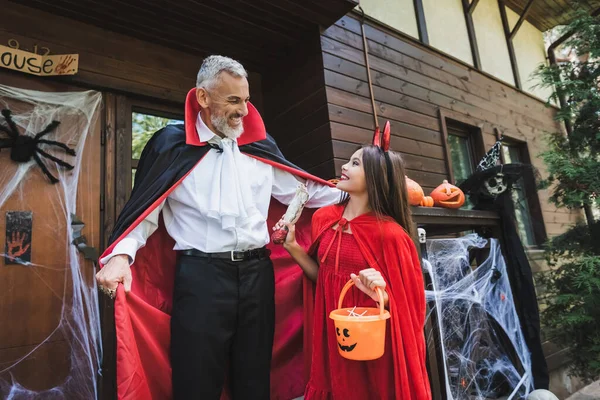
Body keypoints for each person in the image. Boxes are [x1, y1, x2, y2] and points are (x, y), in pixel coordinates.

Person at [96, 55, 341, 400]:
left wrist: (360, 189)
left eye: (246, 100)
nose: (243, 110)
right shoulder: (170, 145)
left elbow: (304, 191)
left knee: (255, 377)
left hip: (258, 274)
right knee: (196, 379)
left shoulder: (258, 143)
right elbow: (145, 212)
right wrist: (121, 255)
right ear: (203, 97)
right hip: (201, 278)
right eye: (233, 100)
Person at [277, 134, 432, 399]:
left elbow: (410, 309)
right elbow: (323, 280)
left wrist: (381, 294)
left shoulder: (392, 236)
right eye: (349, 162)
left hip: (373, 344)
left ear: (375, 178)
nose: (344, 168)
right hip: (333, 336)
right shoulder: (323, 218)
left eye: (355, 163)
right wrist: (292, 246)